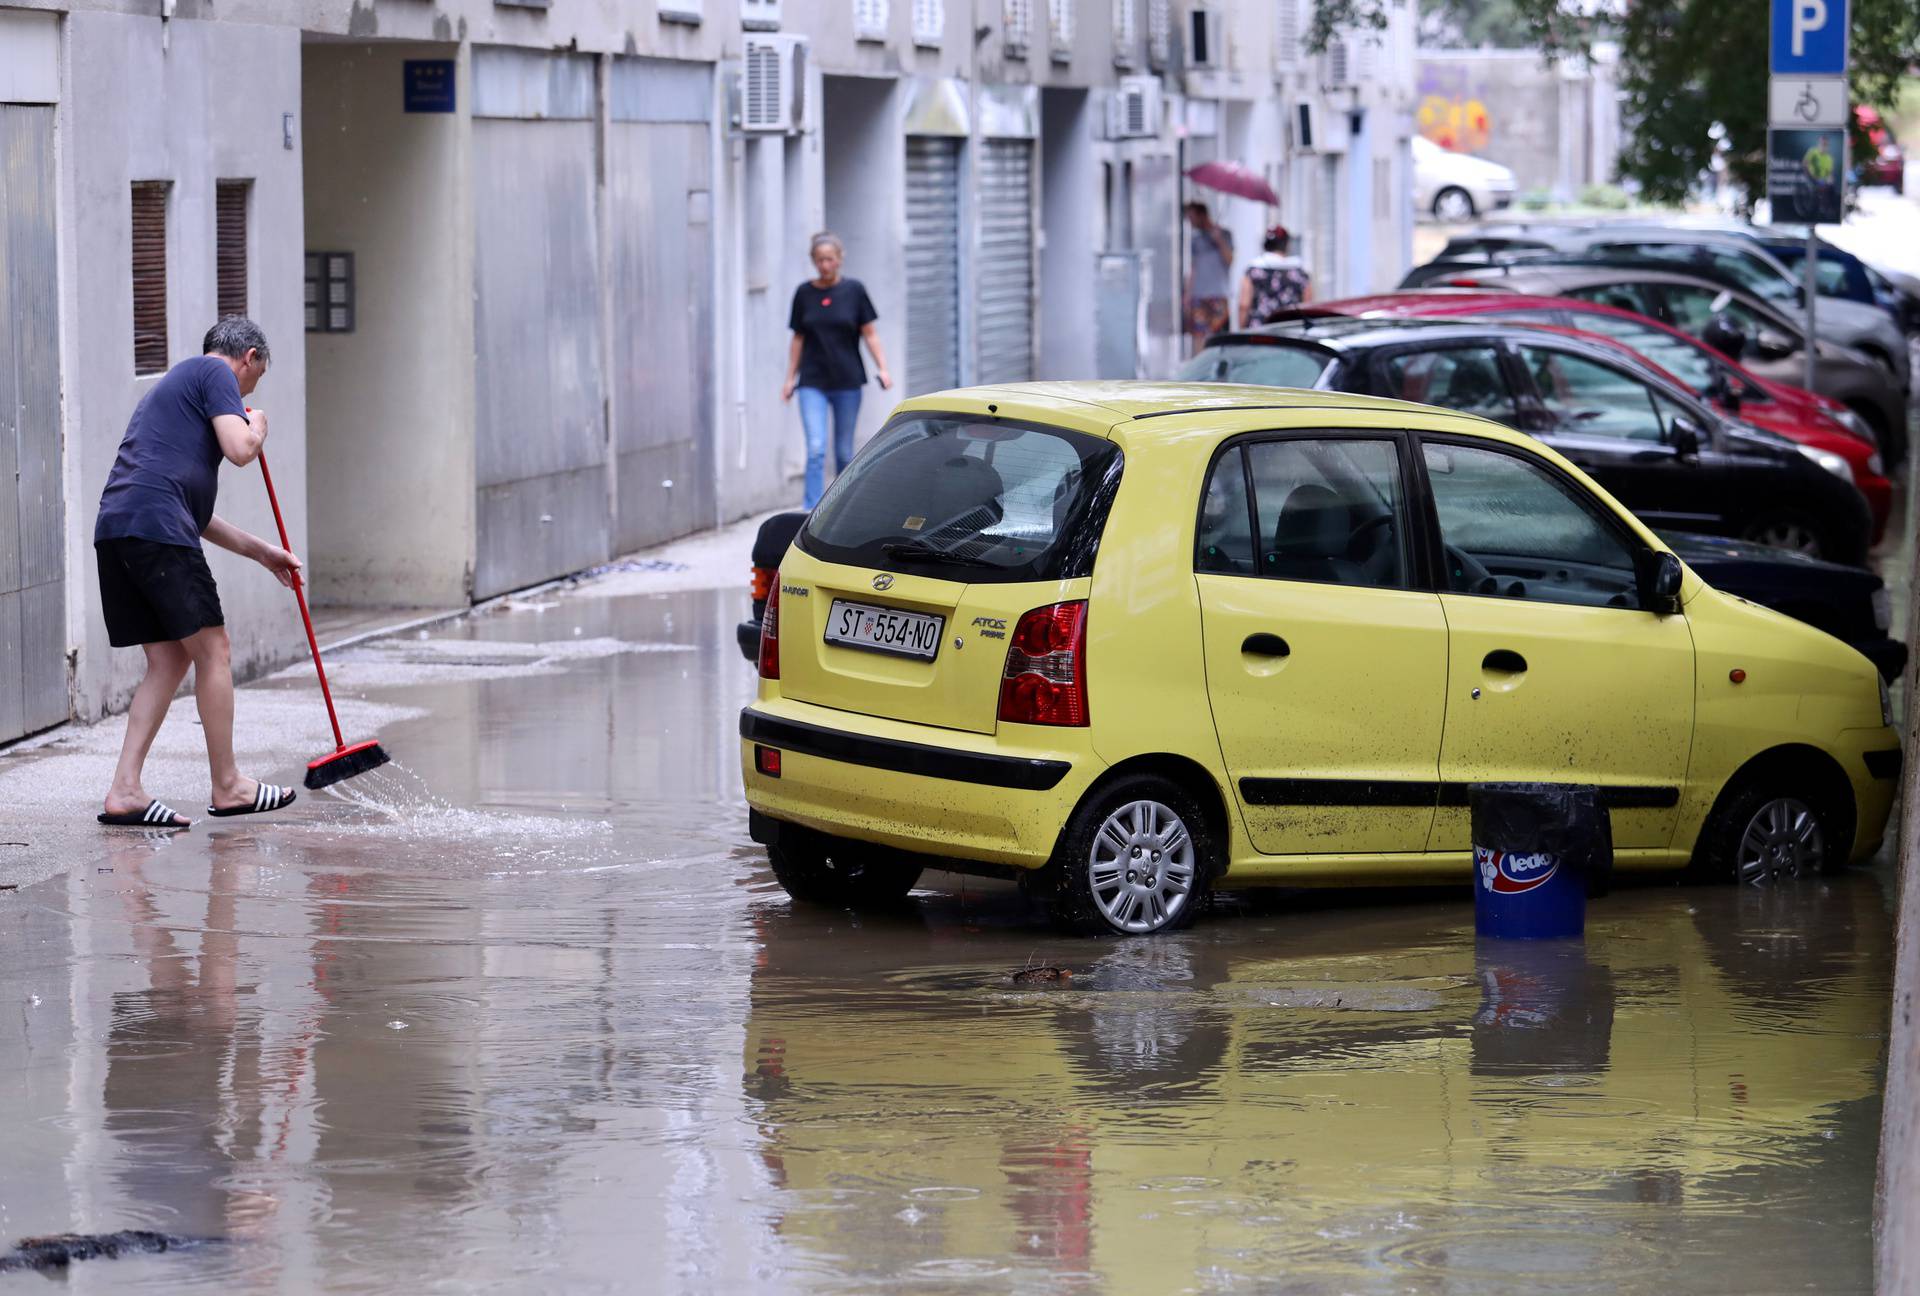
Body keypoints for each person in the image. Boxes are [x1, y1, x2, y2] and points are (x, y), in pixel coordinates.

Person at [94, 316, 303, 829]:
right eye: (256, 378)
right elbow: (241, 451)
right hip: (155, 529)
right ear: (249, 357)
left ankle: (125, 791)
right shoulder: (214, 374)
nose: (247, 392)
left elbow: (195, 515)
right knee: (214, 650)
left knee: (168, 660)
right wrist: (259, 425)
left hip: (121, 527)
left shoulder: (175, 396)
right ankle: (228, 785)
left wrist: (262, 552)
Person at [781, 232, 892, 509]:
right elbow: (798, 338)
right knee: (816, 448)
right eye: (819, 260)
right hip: (812, 382)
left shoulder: (854, 290)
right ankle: (811, 509)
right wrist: (789, 378)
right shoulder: (804, 293)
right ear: (813, 261)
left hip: (847, 380)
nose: (825, 265)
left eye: (829, 259)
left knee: (844, 451)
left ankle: (843, 509)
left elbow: (870, 333)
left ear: (840, 260)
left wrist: (883, 368)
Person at [1184, 201, 1235, 352]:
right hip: (1199, 295)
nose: (1190, 222)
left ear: (1202, 215)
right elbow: (1193, 267)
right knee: (1198, 336)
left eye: (1192, 217)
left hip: (1219, 294)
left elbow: (1230, 260)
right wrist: (1187, 293)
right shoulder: (1195, 239)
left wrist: (1219, 240)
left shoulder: (1225, 234)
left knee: (1220, 337)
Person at [1238, 225, 1312, 327]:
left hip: (1259, 330)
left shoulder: (1253, 270)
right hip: (1290, 330)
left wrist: (1242, 329)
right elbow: (1307, 305)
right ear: (1287, 244)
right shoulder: (1299, 272)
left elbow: (1244, 305)